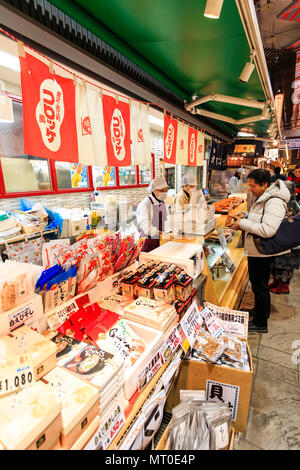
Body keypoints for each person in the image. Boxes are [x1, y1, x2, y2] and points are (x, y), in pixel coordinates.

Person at [231, 169, 290, 333]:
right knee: (257, 284)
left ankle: (261, 322)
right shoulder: (264, 197)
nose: (251, 189)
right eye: (249, 185)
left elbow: (267, 229)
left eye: (253, 186)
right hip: (257, 249)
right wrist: (245, 217)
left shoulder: (274, 201)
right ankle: (258, 313)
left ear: (265, 184)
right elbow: (260, 218)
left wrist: (243, 224)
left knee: (260, 285)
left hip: (263, 251)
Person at [269, 181, 300, 294]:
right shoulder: (283, 202)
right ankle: (277, 282)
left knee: (286, 265)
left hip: (289, 241)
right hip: (281, 239)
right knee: (277, 263)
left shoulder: (292, 204)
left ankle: (284, 286)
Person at [136, 177, 170, 253]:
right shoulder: (145, 204)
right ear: (153, 190)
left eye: (166, 190)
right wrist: (161, 233)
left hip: (161, 241)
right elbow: (147, 228)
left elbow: (168, 219)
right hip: (148, 242)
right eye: (161, 190)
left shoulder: (164, 202)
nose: (164, 193)